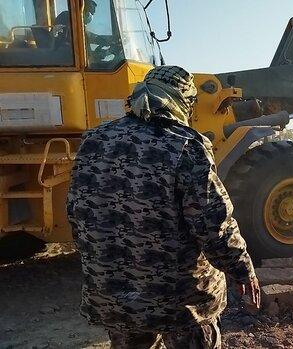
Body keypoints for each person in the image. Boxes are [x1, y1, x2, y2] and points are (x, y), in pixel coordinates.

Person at [67, 65, 260, 349]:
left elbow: (76, 212)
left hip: (115, 296)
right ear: (184, 101)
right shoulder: (186, 144)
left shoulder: (94, 141)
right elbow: (212, 222)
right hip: (179, 300)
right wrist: (241, 268)